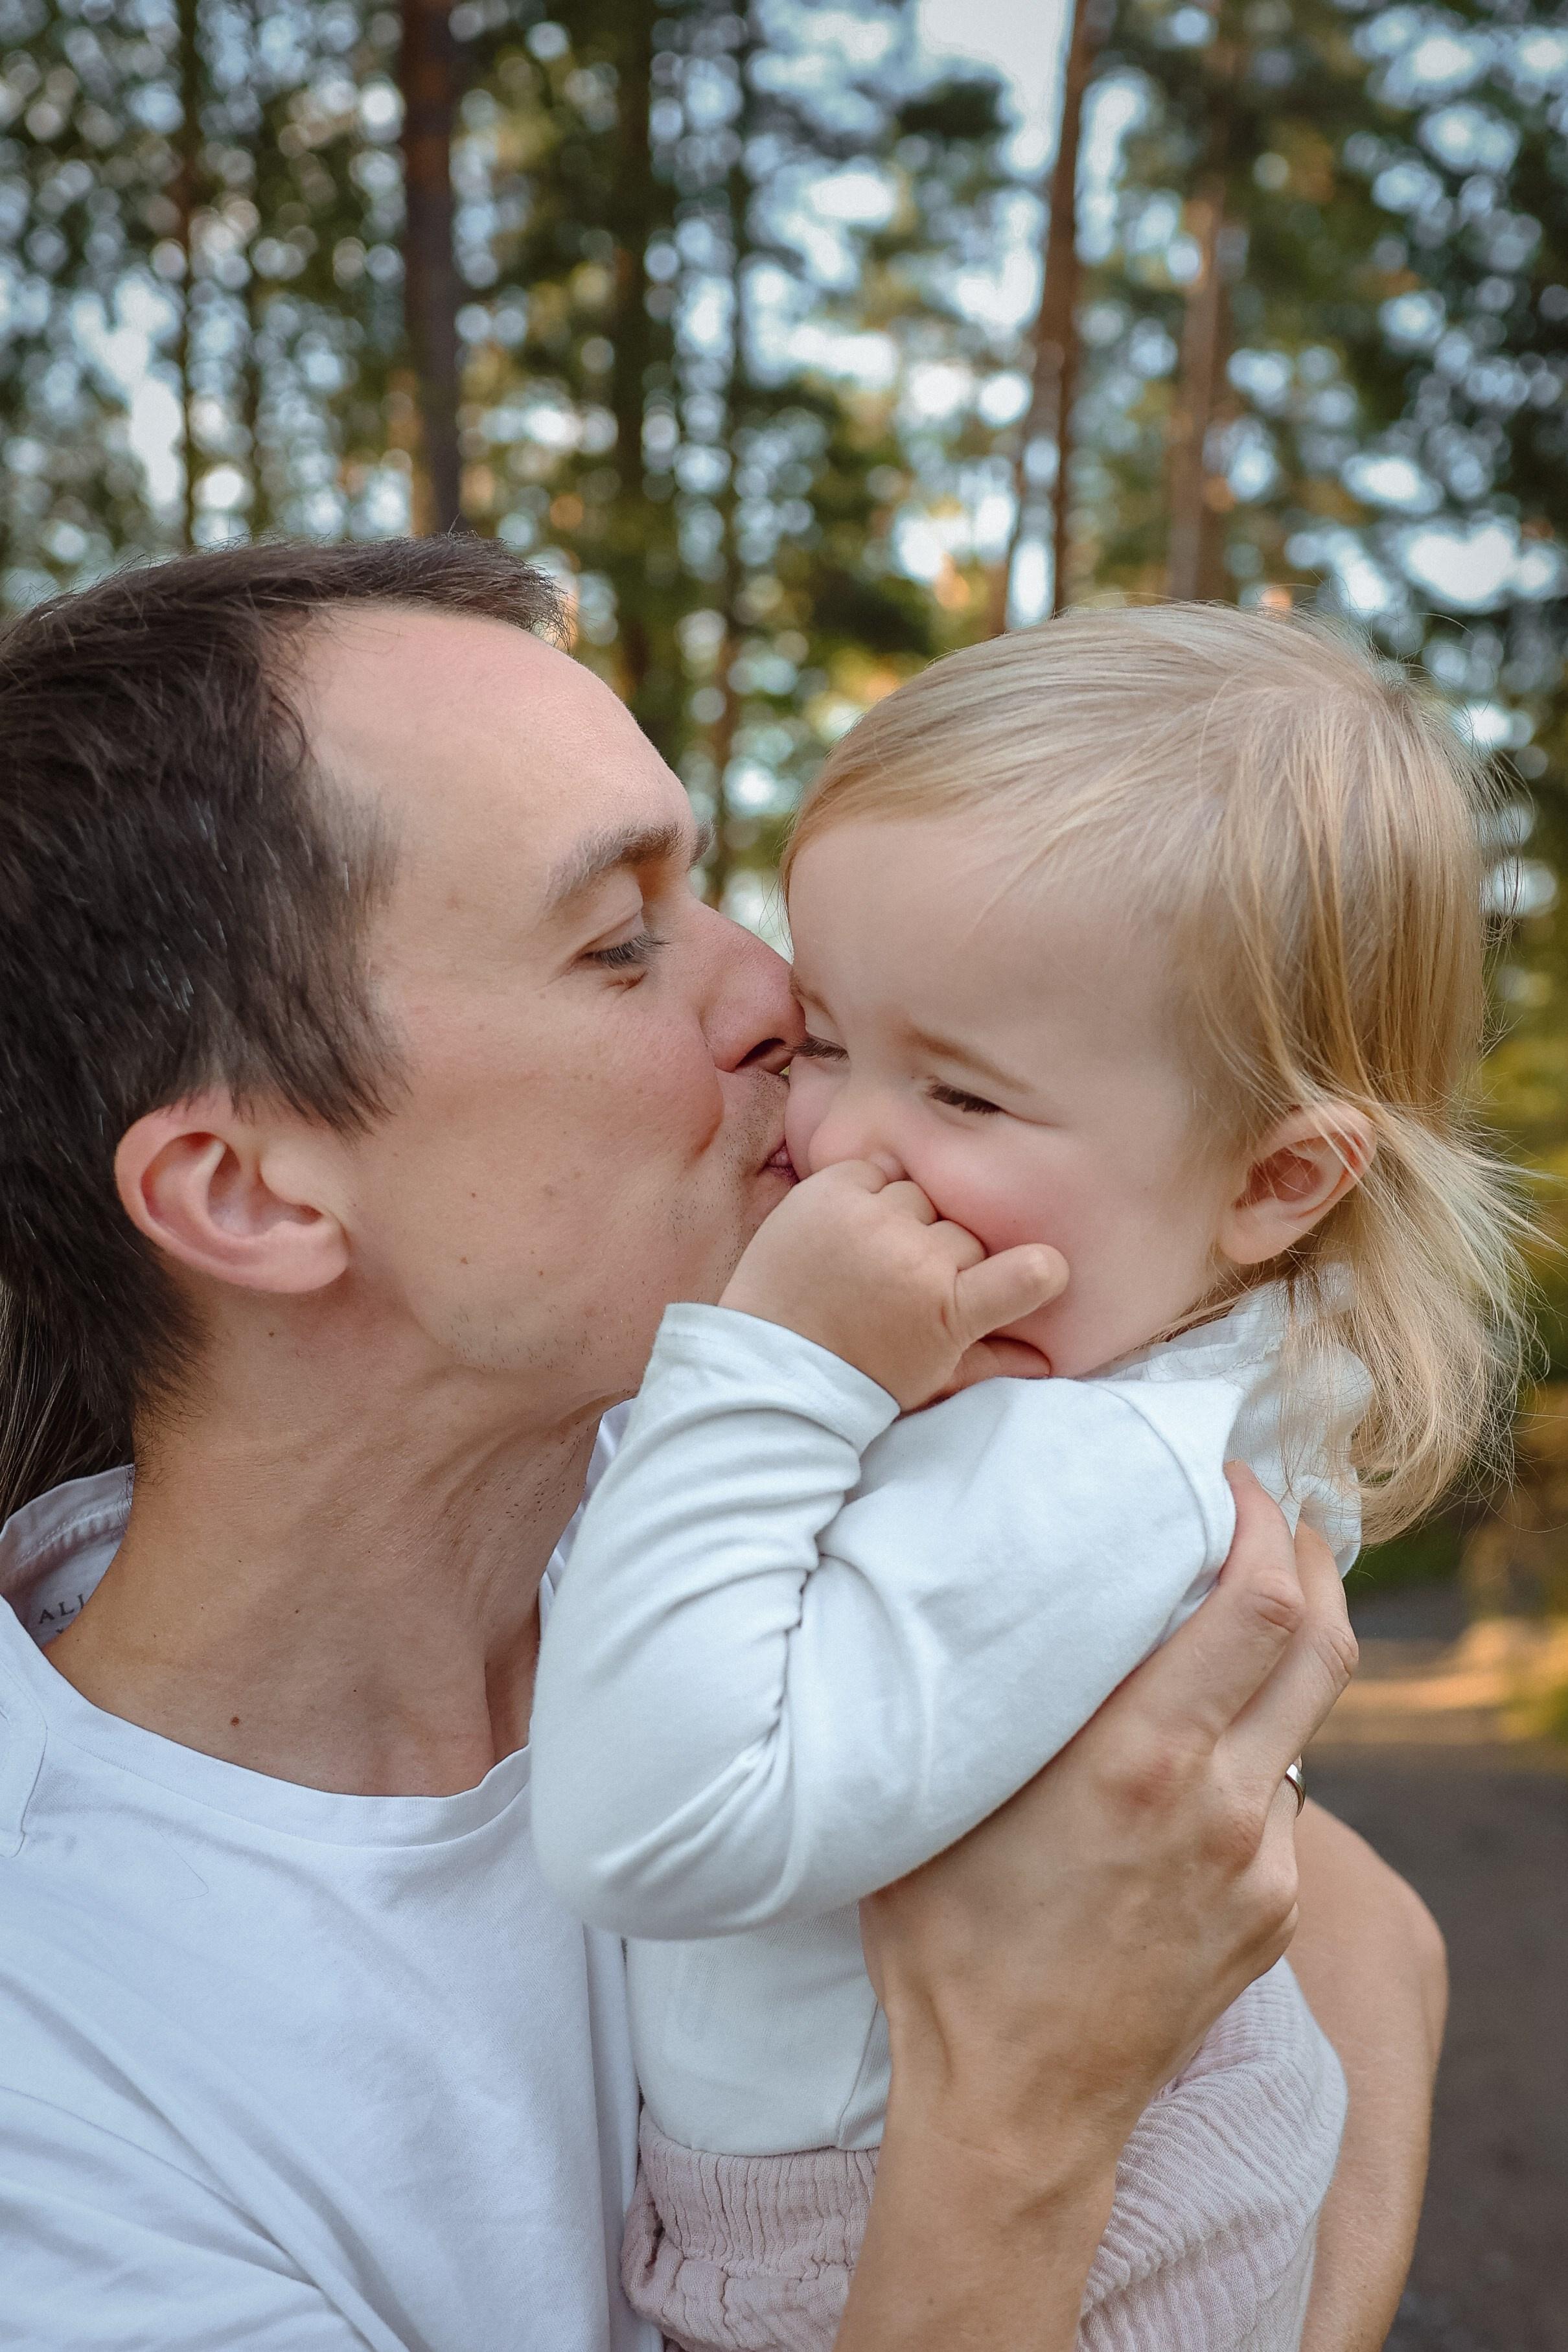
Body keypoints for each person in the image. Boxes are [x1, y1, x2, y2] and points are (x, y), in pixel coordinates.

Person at [0, 541, 1441, 2352]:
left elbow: (1369, 1939)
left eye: (713, 896)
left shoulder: (784, 1493)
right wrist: (1013, 2134)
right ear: (252, 1188)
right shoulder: (55, 2100)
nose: (777, 995)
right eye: (619, 941)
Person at [534, 607, 1516, 2351]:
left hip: (932, 2241)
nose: (831, 1140)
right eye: (828, 1039)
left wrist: (777, 1369)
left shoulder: (1090, 1473)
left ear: (1275, 1179)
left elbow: (648, 1830)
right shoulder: (1090, 1378)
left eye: (963, 1094)